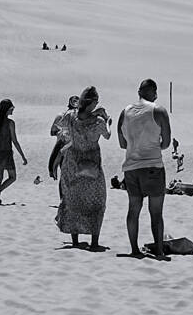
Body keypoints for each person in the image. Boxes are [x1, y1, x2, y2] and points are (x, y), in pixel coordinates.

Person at [117, 78, 172, 259]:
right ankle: (159, 251)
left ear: (139, 92)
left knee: (134, 209)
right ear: (154, 92)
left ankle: (134, 250)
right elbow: (166, 143)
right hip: (152, 166)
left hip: (131, 167)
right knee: (156, 213)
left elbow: (122, 144)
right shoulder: (159, 111)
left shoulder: (124, 112)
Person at [55, 85, 113, 250]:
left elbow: (60, 122)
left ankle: (75, 241)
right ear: (93, 102)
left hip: (72, 162)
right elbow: (107, 135)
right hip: (91, 162)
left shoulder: (71, 116)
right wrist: (107, 120)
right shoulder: (98, 122)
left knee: (74, 200)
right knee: (97, 201)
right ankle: (94, 242)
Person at [0, 98, 27, 204]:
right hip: (7, 153)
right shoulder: (10, 123)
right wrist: (23, 156)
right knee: (12, 177)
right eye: (12, 108)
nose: (13, 110)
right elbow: (15, 141)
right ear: (7, 109)